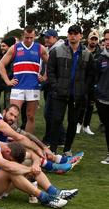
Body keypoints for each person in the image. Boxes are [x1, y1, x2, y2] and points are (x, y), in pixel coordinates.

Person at [0, 140, 77, 208]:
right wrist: (30, 170)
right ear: (7, 152)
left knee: (26, 163)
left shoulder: (7, 148)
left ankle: (55, 192)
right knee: (10, 169)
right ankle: (45, 198)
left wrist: (35, 164)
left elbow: (33, 155)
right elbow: (8, 166)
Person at [0, 104, 78, 174]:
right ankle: (52, 165)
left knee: (23, 144)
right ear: (4, 112)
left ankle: (55, 160)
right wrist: (38, 149)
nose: (13, 118)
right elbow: (20, 137)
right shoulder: (0, 123)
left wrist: (44, 147)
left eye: (15, 116)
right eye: (11, 114)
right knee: (21, 147)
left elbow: (27, 135)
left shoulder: (8, 123)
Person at [46, 25, 95, 155]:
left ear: (81, 36)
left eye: (75, 33)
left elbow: (91, 75)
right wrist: (55, 86)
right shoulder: (56, 51)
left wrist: (84, 89)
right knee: (56, 121)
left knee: (73, 123)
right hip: (60, 93)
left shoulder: (86, 54)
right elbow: (50, 71)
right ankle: (53, 149)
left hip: (77, 95)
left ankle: (67, 149)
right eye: (70, 33)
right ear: (67, 35)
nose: (73, 36)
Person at [0, 27, 49, 134]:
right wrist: (7, 81)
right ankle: (11, 140)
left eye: (31, 38)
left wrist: (44, 76)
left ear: (34, 36)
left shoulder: (40, 48)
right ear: (22, 36)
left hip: (33, 87)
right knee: (12, 115)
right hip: (18, 87)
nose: (29, 40)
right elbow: (1, 64)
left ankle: (27, 142)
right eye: (26, 38)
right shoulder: (15, 48)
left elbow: (51, 64)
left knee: (30, 116)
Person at [77, 29, 102, 135]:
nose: (93, 41)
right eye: (92, 39)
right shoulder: (81, 50)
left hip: (94, 83)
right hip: (82, 81)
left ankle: (86, 126)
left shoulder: (100, 53)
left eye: (96, 39)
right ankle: (78, 124)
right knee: (81, 104)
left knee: (91, 105)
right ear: (88, 40)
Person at [97, 29, 109, 164]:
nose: (108, 42)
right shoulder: (100, 59)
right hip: (103, 100)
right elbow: (96, 78)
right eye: (106, 39)